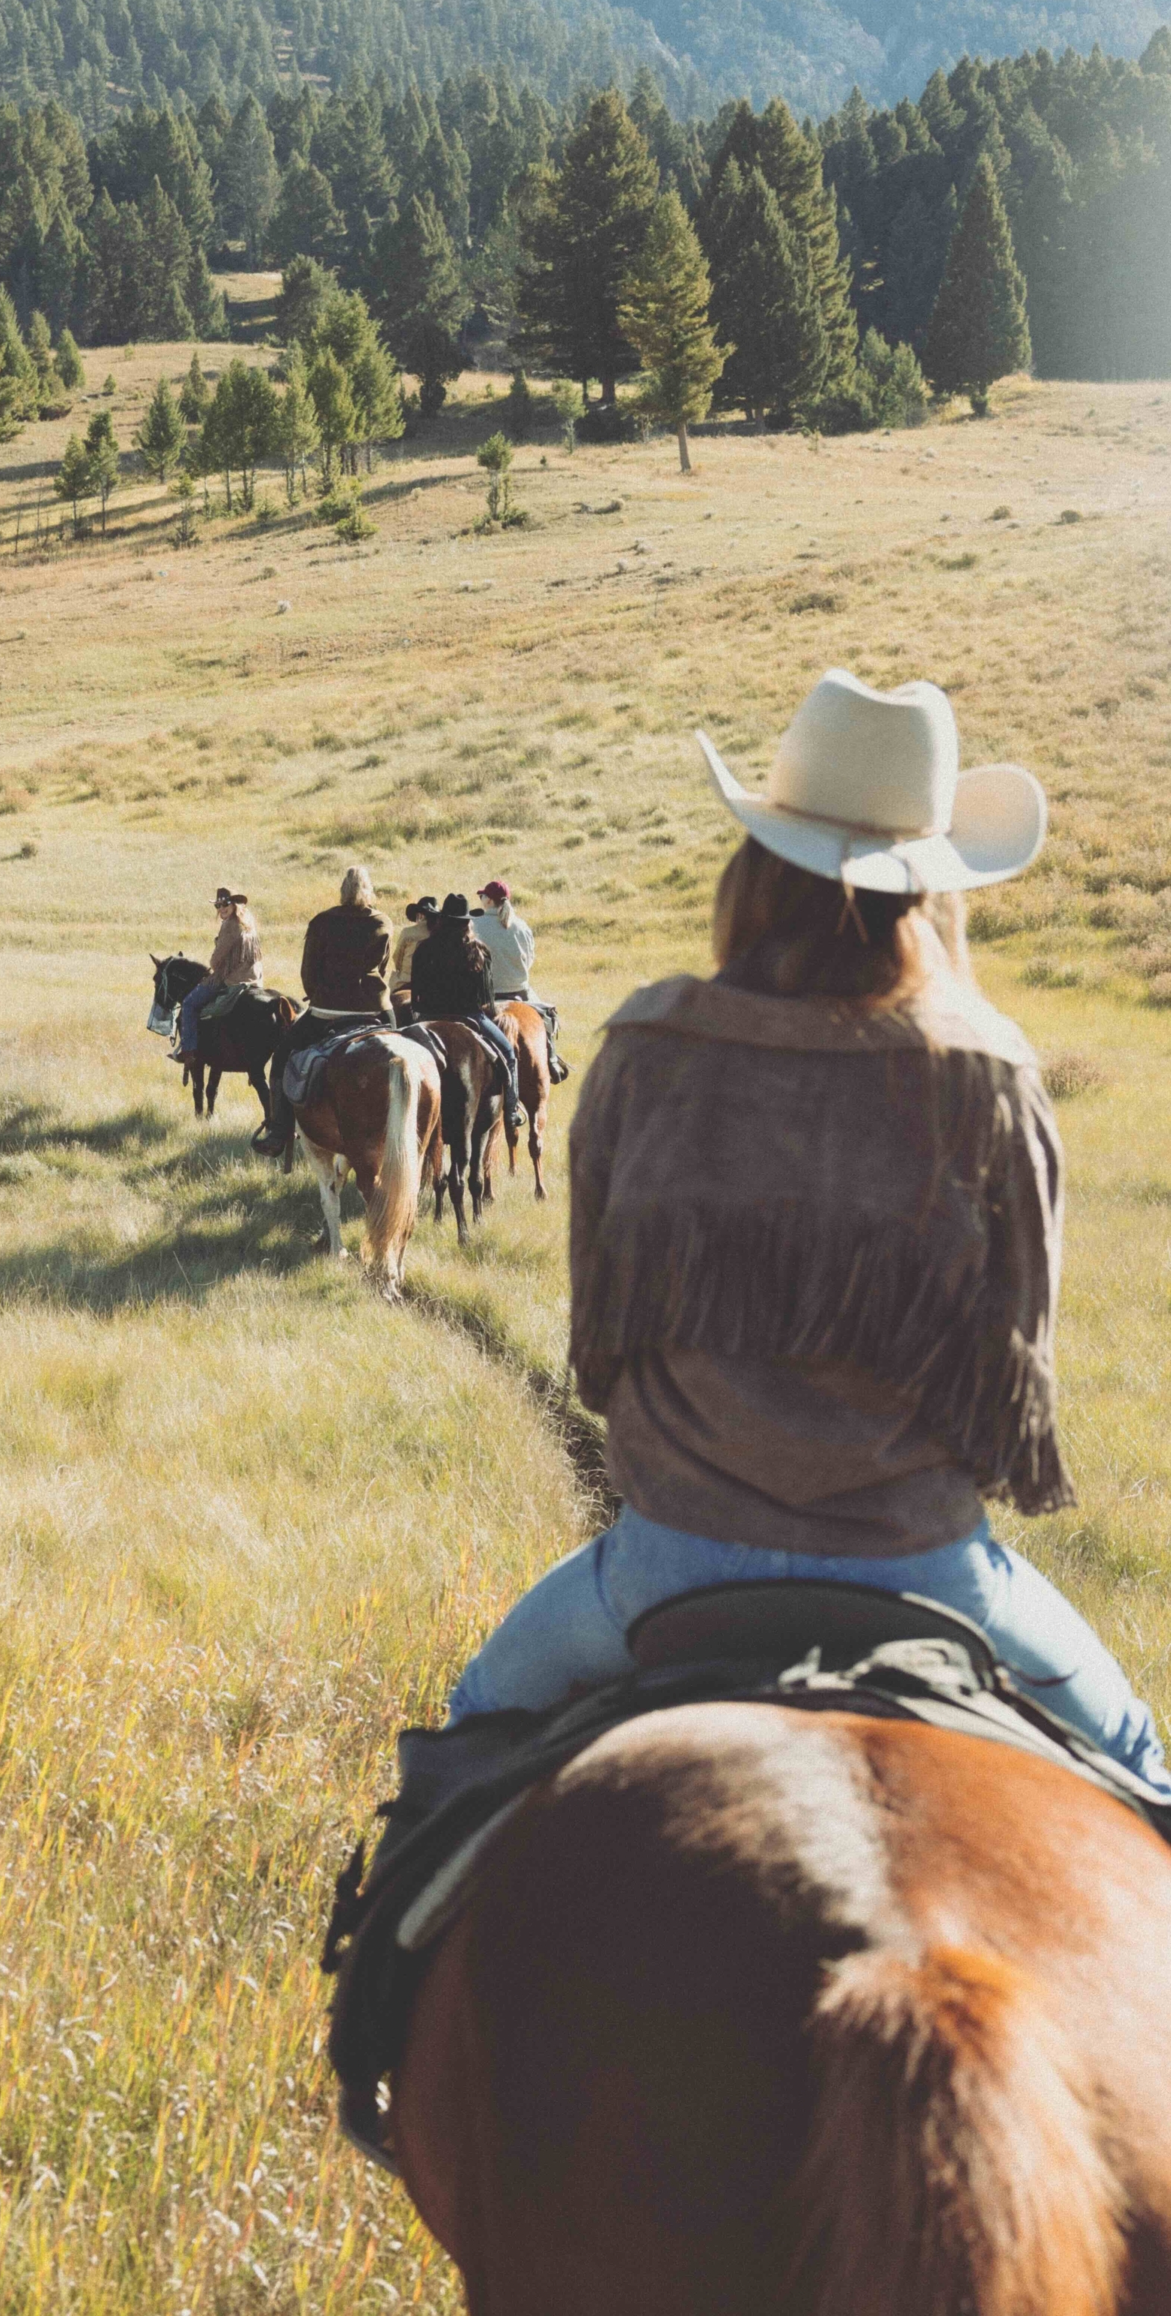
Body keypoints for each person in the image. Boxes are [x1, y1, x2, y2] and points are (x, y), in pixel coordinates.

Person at [451, 667, 1168, 1794]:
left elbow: (599, 1349)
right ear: (931, 888)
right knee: (1134, 1759)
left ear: (758, 864)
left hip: (669, 1560)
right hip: (926, 1564)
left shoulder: (646, 1045)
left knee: (470, 1724)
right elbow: (1016, 1380)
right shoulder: (991, 1076)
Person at [255, 864, 392, 1159]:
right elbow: (382, 967)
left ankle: (279, 1131)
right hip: (375, 1009)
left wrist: (319, 995)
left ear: (342, 890)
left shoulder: (321, 922)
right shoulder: (383, 922)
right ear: (370, 891)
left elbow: (309, 970)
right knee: (415, 1045)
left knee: (282, 1057)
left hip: (328, 1009)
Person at [408, 892, 523, 1138]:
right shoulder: (478, 952)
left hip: (428, 1016)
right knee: (509, 1055)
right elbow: (485, 999)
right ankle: (512, 1110)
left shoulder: (425, 949)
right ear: (467, 922)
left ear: (441, 920)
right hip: (470, 1016)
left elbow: (415, 992)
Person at [468, 878, 569, 1083]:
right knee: (547, 1017)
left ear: (488, 901)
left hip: (485, 994)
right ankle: (551, 1058)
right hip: (519, 990)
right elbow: (529, 961)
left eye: (482, 896)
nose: (480, 899)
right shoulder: (521, 926)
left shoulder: (474, 924)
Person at [172, 887, 263, 1059]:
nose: (221, 908)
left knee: (189, 1004)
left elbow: (215, 961)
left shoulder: (230, 925)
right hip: (255, 978)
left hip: (232, 978)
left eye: (225, 904)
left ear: (234, 904)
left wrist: (214, 963)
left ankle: (188, 1050)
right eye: (217, 905)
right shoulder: (249, 921)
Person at [389, 897, 437, 1020]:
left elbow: (397, 959)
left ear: (420, 916)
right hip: (431, 984)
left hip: (405, 981)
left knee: (387, 1010)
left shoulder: (407, 932)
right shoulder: (439, 933)